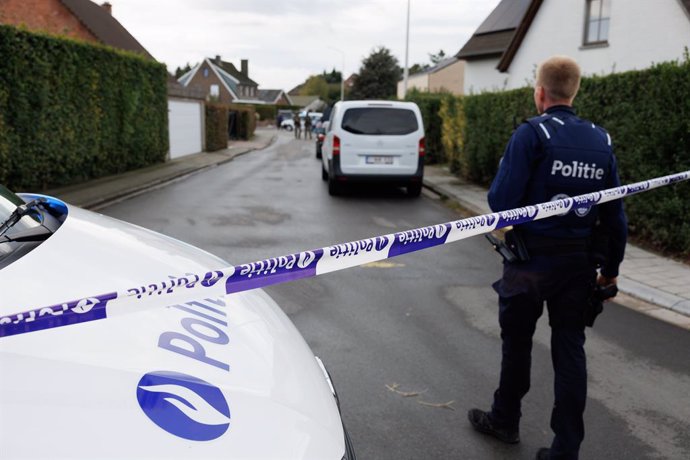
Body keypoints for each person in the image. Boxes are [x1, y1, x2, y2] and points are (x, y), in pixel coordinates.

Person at [467, 56, 627, 460]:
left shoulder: (531, 134)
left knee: (517, 343)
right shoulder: (601, 140)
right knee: (570, 349)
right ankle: (566, 449)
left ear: (540, 92)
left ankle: (505, 420)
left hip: (529, 264)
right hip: (578, 265)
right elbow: (615, 214)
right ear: (574, 92)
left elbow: (501, 202)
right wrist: (609, 273)